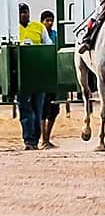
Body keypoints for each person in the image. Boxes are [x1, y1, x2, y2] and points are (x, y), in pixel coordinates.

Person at [17, 3, 52, 150]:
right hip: (21, 76)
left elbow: (48, 46)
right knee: (25, 109)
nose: (24, 15)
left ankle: (35, 139)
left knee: (37, 110)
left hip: (38, 74)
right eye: (21, 13)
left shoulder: (39, 28)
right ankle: (28, 140)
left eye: (25, 12)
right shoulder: (12, 29)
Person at [39, 10, 59, 149]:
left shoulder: (56, 35)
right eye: (47, 20)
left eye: (51, 20)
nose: (49, 23)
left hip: (54, 74)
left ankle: (47, 138)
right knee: (43, 109)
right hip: (43, 74)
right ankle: (43, 139)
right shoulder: (40, 34)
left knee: (54, 109)